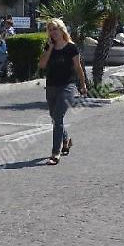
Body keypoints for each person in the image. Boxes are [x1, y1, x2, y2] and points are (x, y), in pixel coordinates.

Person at [38, 18, 88, 165]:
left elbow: (78, 68)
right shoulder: (49, 47)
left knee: (58, 118)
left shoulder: (71, 48)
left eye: (55, 29)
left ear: (62, 30)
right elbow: (41, 65)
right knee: (55, 118)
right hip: (51, 86)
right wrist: (50, 48)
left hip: (68, 87)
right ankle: (66, 140)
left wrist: (83, 85)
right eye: (50, 30)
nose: (53, 32)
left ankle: (55, 153)